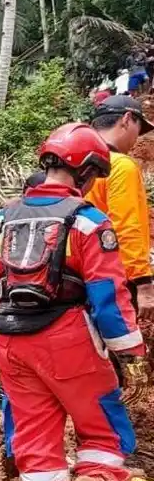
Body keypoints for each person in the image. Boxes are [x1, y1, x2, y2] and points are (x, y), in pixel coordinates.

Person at [0, 123, 146, 481]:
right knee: (103, 427)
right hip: (67, 337)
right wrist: (130, 348)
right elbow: (107, 294)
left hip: (10, 342)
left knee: (35, 431)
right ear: (86, 172)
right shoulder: (88, 223)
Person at [86, 95, 154, 319]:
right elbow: (126, 226)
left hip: (81, 274)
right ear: (126, 119)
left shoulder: (75, 165)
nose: (136, 139)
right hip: (115, 277)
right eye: (138, 127)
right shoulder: (120, 166)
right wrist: (143, 282)